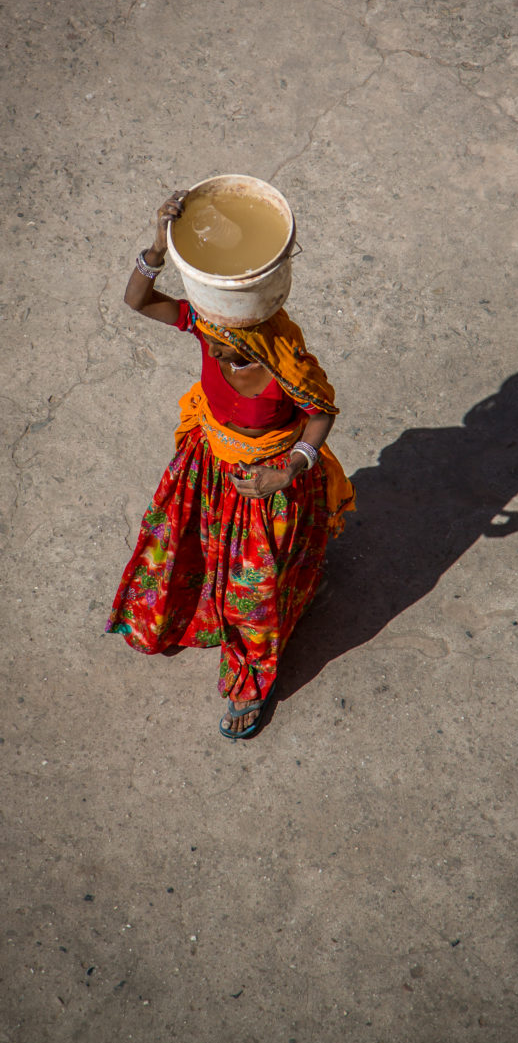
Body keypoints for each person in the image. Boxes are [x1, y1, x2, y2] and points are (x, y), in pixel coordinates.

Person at [106, 190, 355, 739]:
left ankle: (251, 681)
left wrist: (288, 470)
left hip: (266, 480)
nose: (214, 356)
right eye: (213, 345)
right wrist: (157, 245)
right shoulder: (209, 325)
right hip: (209, 460)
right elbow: (139, 301)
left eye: (229, 352)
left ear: (260, 348)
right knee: (180, 547)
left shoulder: (287, 362)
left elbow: (321, 415)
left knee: (254, 585)